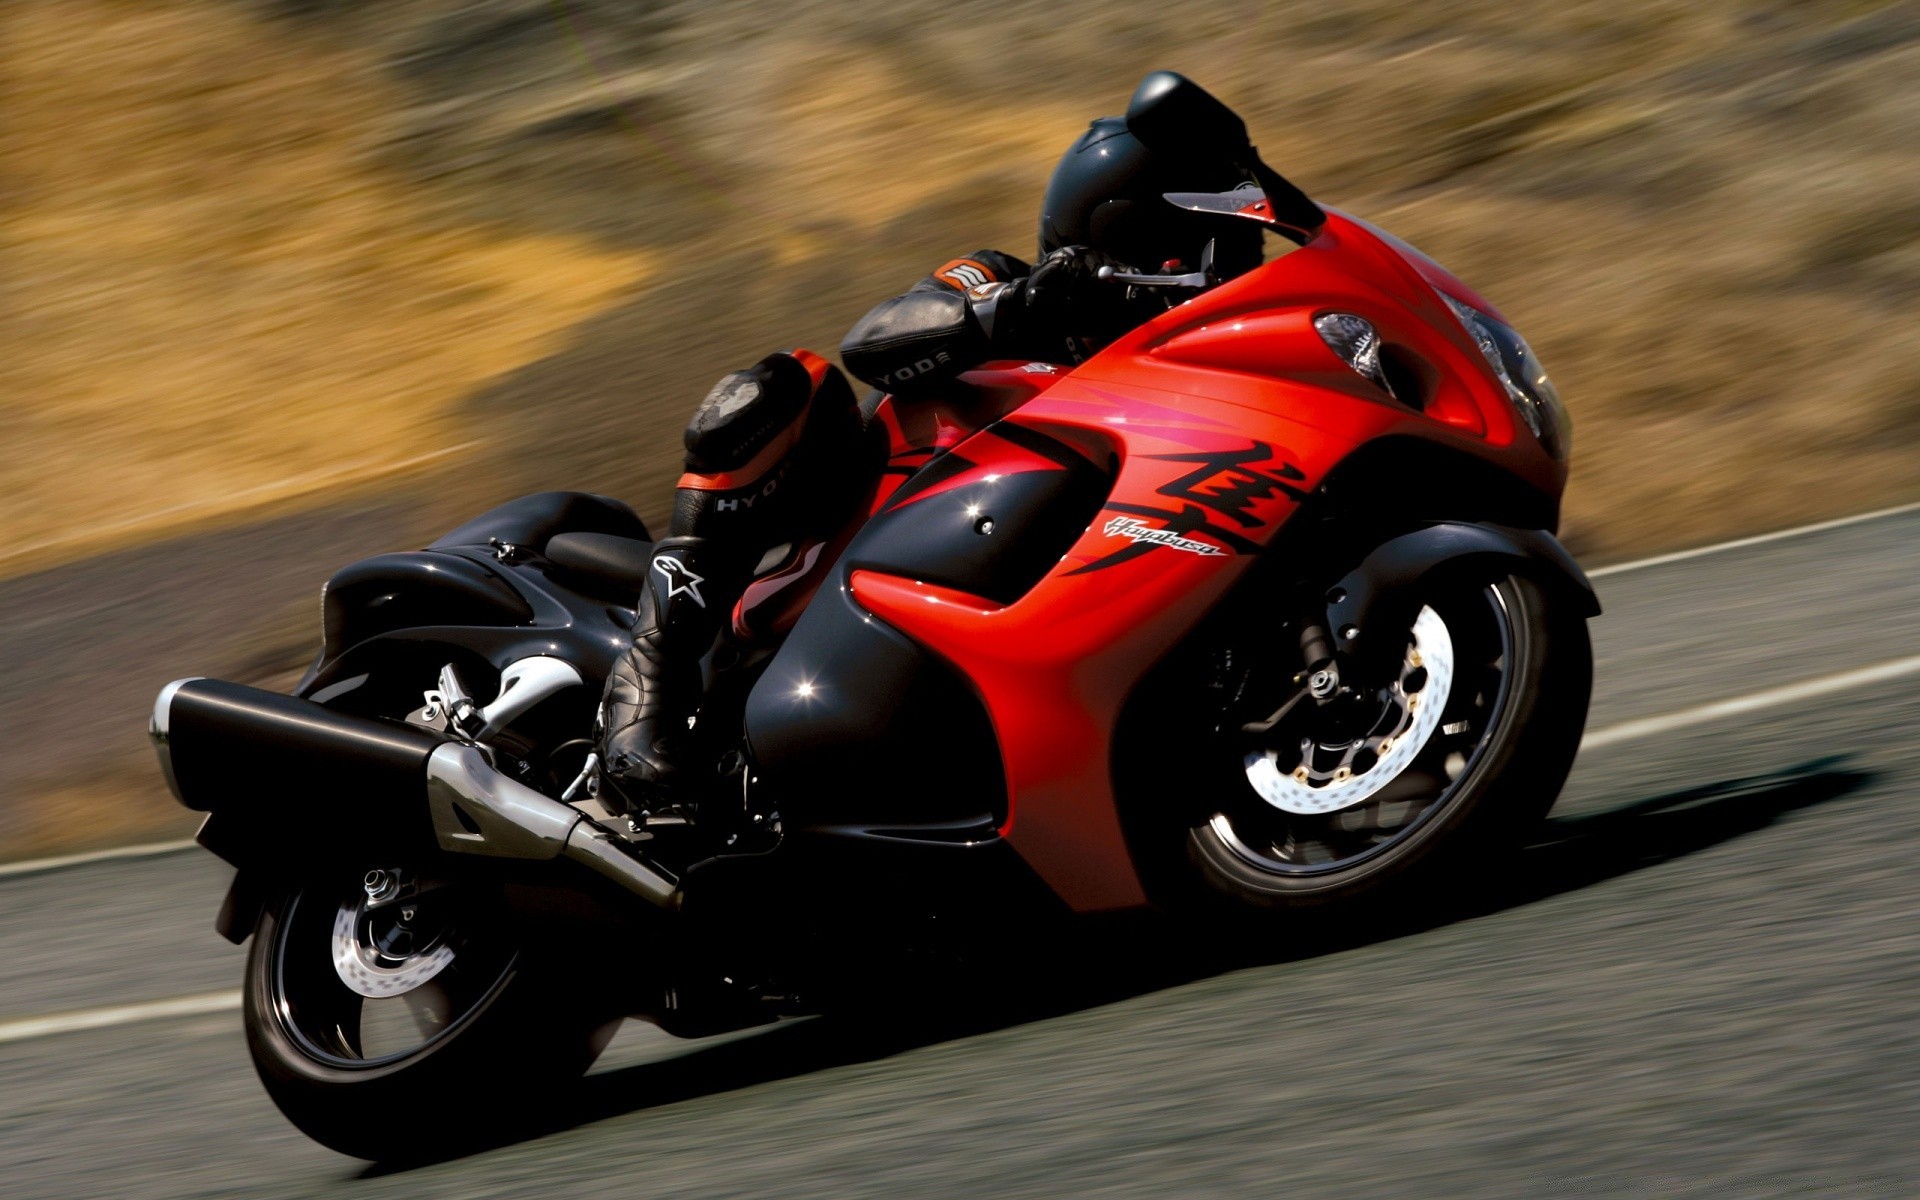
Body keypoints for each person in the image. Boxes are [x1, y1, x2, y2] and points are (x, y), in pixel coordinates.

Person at [595, 75, 1269, 813]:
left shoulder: (1182, 385)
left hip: (991, 635)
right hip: (823, 570)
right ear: (1123, 234)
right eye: (1206, 253)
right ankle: (644, 688)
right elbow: (873, 342)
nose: (1228, 276)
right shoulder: (997, 278)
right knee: (790, 384)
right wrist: (1016, 307)